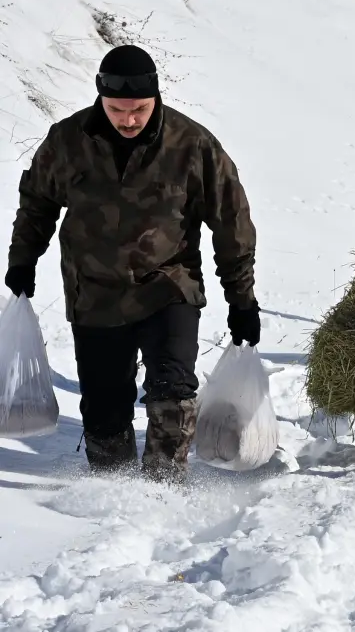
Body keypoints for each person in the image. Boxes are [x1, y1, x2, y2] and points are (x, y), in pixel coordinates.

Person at [5, 45, 259, 480]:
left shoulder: (192, 145)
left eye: (139, 109)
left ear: (156, 96)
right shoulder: (68, 141)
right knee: (104, 411)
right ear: (99, 97)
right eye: (117, 109)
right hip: (95, 292)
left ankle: (162, 493)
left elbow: (231, 221)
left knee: (172, 394)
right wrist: (23, 260)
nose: (128, 119)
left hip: (168, 286)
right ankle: (113, 496)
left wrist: (242, 299)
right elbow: (37, 204)